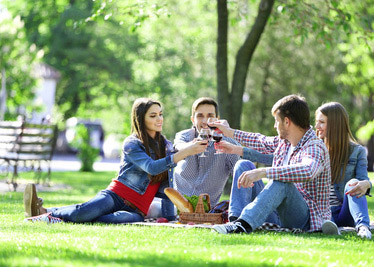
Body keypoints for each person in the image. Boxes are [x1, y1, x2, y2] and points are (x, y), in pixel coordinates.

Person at [24, 98, 206, 224]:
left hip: (137, 212)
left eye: (160, 114)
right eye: (153, 115)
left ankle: (48, 212)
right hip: (115, 196)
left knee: (108, 220)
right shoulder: (132, 144)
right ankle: (43, 212)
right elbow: (151, 167)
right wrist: (185, 152)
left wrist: (170, 217)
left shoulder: (164, 146)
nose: (159, 119)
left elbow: (167, 186)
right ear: (141, 119)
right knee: (84, 212)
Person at [211, 94, 331, 234]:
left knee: (283, 181)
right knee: (243, 165)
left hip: (305, 219)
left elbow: (308, 170)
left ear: (287, 122)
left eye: (276, 121)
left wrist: (263, 172)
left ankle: (243, 225)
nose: (275, 126)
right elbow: (260, 140)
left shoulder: (314, 147)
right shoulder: (285, 142)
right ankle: (235, 222)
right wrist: (230, 132)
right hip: (277, 213)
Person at [173, 97, 272, 207]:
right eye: (200, 116)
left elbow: (242, 171)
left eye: (210, 116)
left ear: (217, 119)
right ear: (193, 119)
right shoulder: (185, 136)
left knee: (245, 167)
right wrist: (189, 148)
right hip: (178, 204)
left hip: (208, 208)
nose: (205, 121)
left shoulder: (227, 144)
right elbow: (178, 146)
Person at [315, 102, 372, 239]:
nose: (317, 127)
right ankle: (330, 226)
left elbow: (364, 180)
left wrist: (367, 184)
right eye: (317, 122)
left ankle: (363, 228)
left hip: (345, 212)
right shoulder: (314, 149)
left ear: (335, 125)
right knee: (325, 219)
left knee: (353, 183)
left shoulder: (357, 152)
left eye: (321, 122)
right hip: (322, 212)